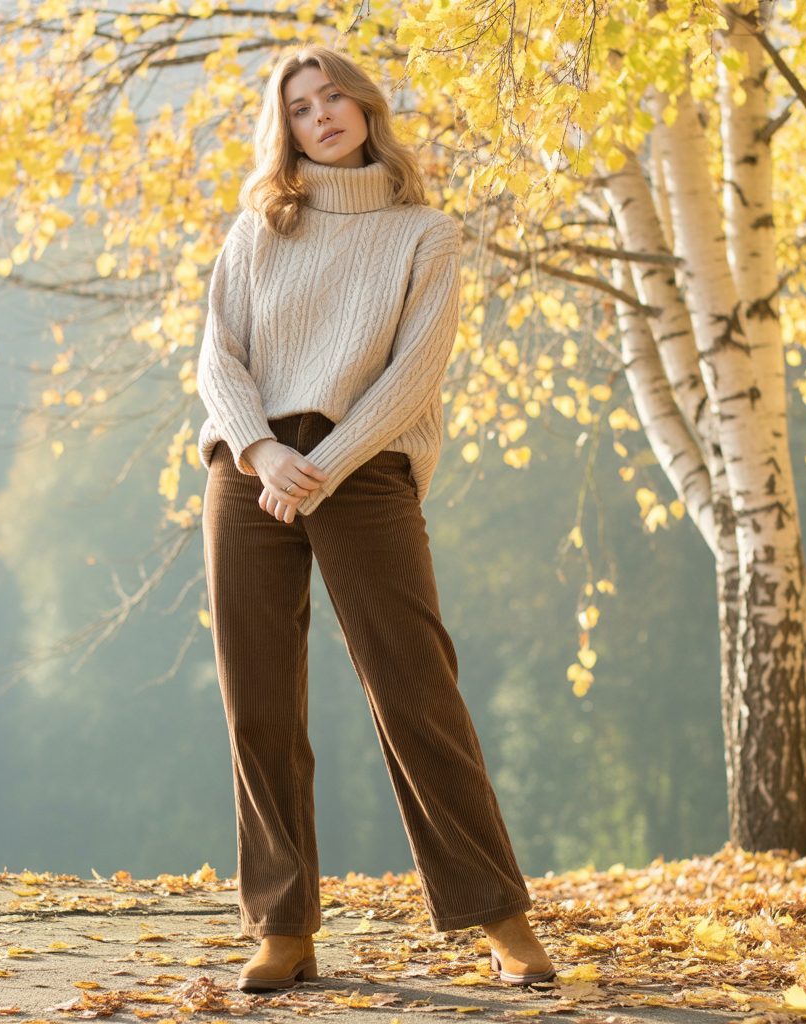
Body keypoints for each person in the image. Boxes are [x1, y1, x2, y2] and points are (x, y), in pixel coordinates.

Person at [196, 43, 555, 994]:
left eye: (335, 96)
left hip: (365, 466)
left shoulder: (425, 233)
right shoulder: (259, 228)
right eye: (302, 104)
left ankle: (499, 917)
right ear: (288, 125)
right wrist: (265, 454)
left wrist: (324, 464)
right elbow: (217, 359)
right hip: (252, 469)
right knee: (259, 707)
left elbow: (414, 375)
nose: (322, 114)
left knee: (416, 692)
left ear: (365, 106)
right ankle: (282, 927)